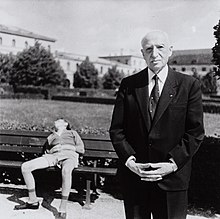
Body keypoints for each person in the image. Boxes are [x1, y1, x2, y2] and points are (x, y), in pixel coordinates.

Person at [109, 30, 204, 219]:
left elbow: (195, 132)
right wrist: (131, 162)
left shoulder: (189, 85)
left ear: (170, 51)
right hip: (136, 178)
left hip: (172, 180)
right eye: (148, 49)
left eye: (160, 47)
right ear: (142, 53)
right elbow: (117, 130)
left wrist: (171, 164)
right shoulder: (129, 85)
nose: (154, 53)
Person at [14, 118, 85, 219]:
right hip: (53, 156)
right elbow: (46, 152)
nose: (56, 121)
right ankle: (33, 200)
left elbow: (81, 149)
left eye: (60, 120)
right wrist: (53, 150)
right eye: (56, 120)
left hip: (69, 155)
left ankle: (62, 208)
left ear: (66, 124)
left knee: (66, 171)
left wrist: (68, 148)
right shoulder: (51, 136)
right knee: (25, 167)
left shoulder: (72, 133)